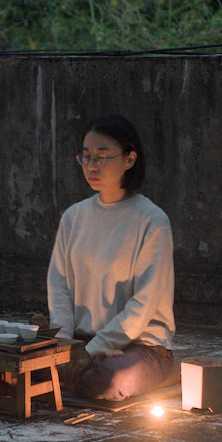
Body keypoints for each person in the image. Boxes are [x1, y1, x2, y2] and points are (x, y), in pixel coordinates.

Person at [42, 114, 175, 401]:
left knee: (102, 381)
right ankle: (73, 370)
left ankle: (162, 371)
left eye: (102, 156)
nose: (92, 165)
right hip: (82, 341)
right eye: (86, 156)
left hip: (141, 346)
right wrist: (64, 344)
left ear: (129, 159)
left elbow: (144, 303)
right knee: (18, 368)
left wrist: (92, 352)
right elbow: (59, 286)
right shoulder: (74, 217)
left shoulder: (151, 220)